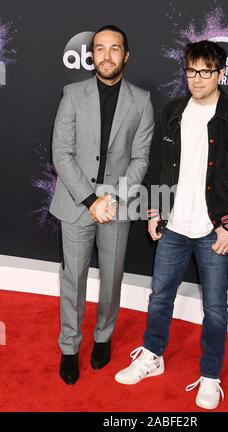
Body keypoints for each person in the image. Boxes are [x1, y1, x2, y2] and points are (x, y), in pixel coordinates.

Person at [115, 40, 228, 409]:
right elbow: (156, 167)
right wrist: (154, 212)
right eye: (190, 71)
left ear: (219, 73)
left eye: (204, 72)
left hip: (214, 229)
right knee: (160, 296)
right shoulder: (171, 112)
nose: (196, 79)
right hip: (174, 227)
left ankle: (210, 376)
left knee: (215, 308)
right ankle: (153, 356)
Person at [50, 25, 154, 385]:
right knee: (72, 280)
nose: (106, 55)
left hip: (118, 205)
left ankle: (103, 338)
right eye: (99, 48)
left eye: (114, 48)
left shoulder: (141, 100)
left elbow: (141, 158)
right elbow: (61, 154)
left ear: (126, 55)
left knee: (112, 280)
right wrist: (91, 199)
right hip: (77, 204)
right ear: (91, 54)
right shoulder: (72, 94)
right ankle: (69, 347)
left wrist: (114, 198)